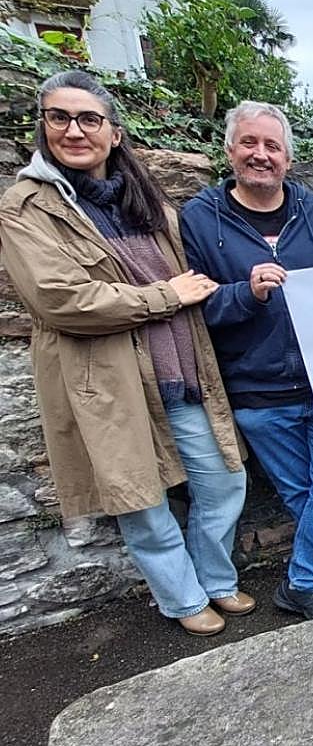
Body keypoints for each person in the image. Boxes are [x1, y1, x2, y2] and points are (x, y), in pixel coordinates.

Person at [0, 71, 252, 636]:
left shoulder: (144, 200)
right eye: (60, 117)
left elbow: (194, 274)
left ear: (114, 133)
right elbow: (61, 300)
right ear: (43, 127)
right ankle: (185, 600)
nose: (74, 130)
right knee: (140, 498)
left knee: (223, 480)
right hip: (108, 385)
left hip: (180, 372)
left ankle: (214, 578)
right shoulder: (26, 207)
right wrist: (168, 295)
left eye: (89, 119)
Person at [180, 100, 313, 620]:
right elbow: (189, 306)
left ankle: (301, 584)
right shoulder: (198, 219)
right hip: (256, 388)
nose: (261, 155)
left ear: (288, 156)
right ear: (229, 150)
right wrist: (245, 293)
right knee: (302, 491)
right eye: (250, 143)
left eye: (272, 146)